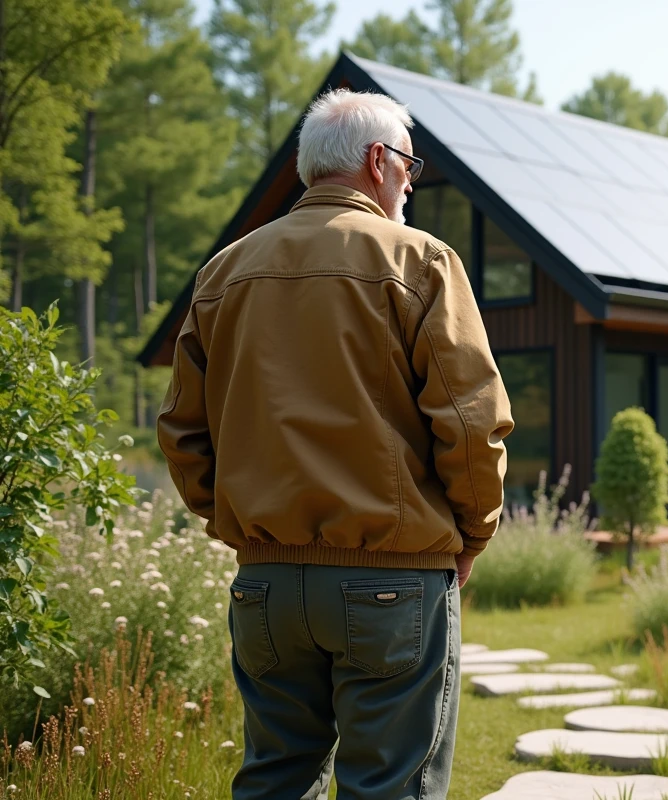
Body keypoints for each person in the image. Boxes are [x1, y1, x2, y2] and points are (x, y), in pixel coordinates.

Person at [157, 88, 514, 800]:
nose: (411, 183)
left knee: (274, 780)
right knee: (390, 787)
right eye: (410, 167)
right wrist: (470, 536)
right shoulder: (421, 261)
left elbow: (181, 432)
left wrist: (244, 530)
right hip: (394, 579)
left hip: (265, 588)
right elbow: (471, 423)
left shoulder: (222, 273)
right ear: (379, 161)